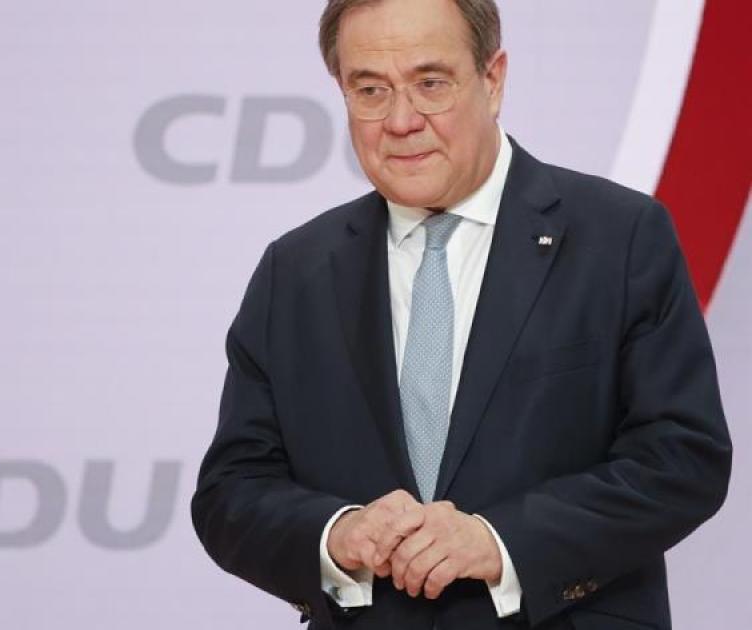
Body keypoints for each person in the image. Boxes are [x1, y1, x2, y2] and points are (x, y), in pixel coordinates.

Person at [189, 0, 732, 628]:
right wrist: (336, 535)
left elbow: (682, 459)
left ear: (492, 79)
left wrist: (500, 541)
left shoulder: (621, 236)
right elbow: (232, 491)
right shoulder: (295, 271)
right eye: (371, 90)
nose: (401, 121)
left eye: (430, 83)